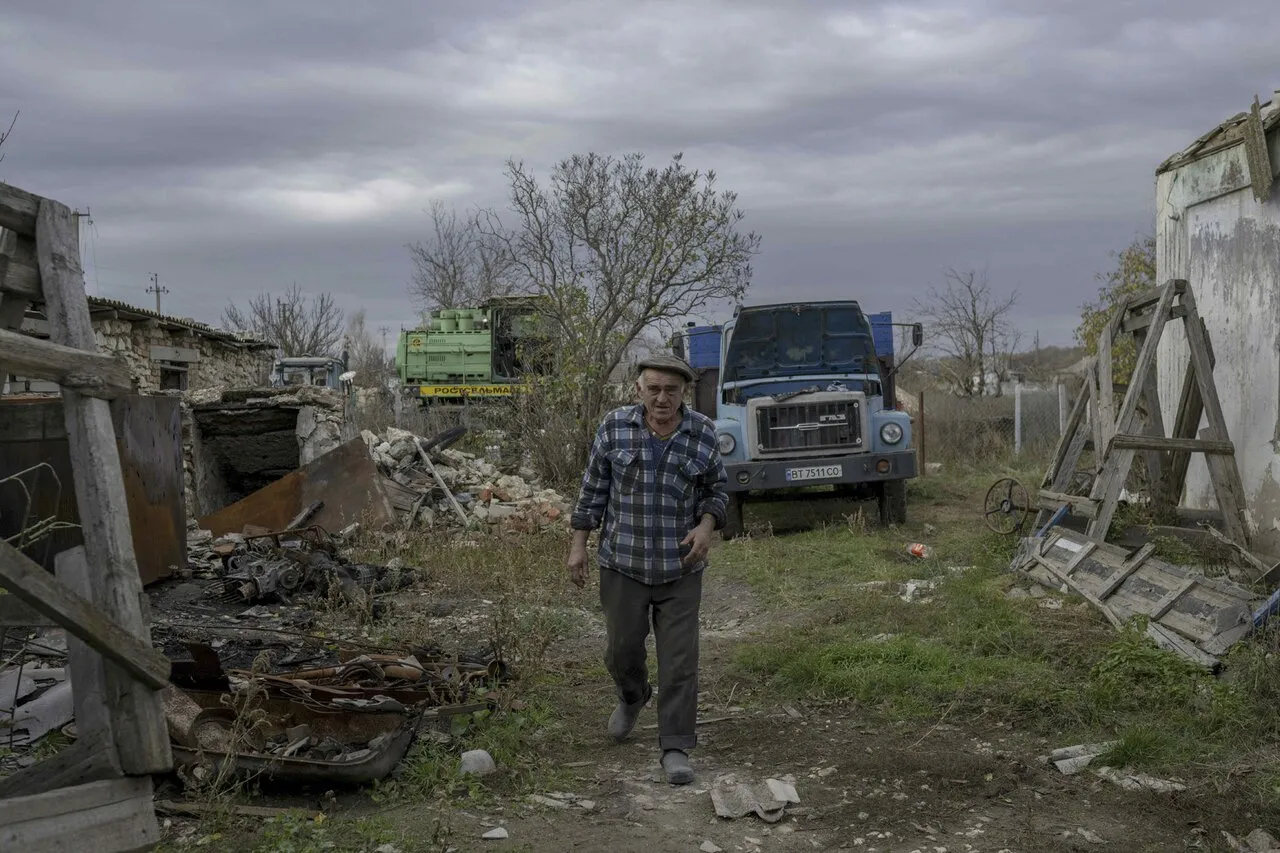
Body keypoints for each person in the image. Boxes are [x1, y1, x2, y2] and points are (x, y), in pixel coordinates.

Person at [568, 354, 728, 785]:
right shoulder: (614, 427)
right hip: (622, 563)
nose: (662, 398)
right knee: (621, 650)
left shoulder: (704, 434)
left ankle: (675, 745)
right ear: (637, 389)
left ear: (684, 393)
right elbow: (593, 489)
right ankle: (632, 695)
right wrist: (578, 546)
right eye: (653, 388)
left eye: (671, 390)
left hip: (681, 567)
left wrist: (706, 526)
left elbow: (717, 491)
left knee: (679, 660)